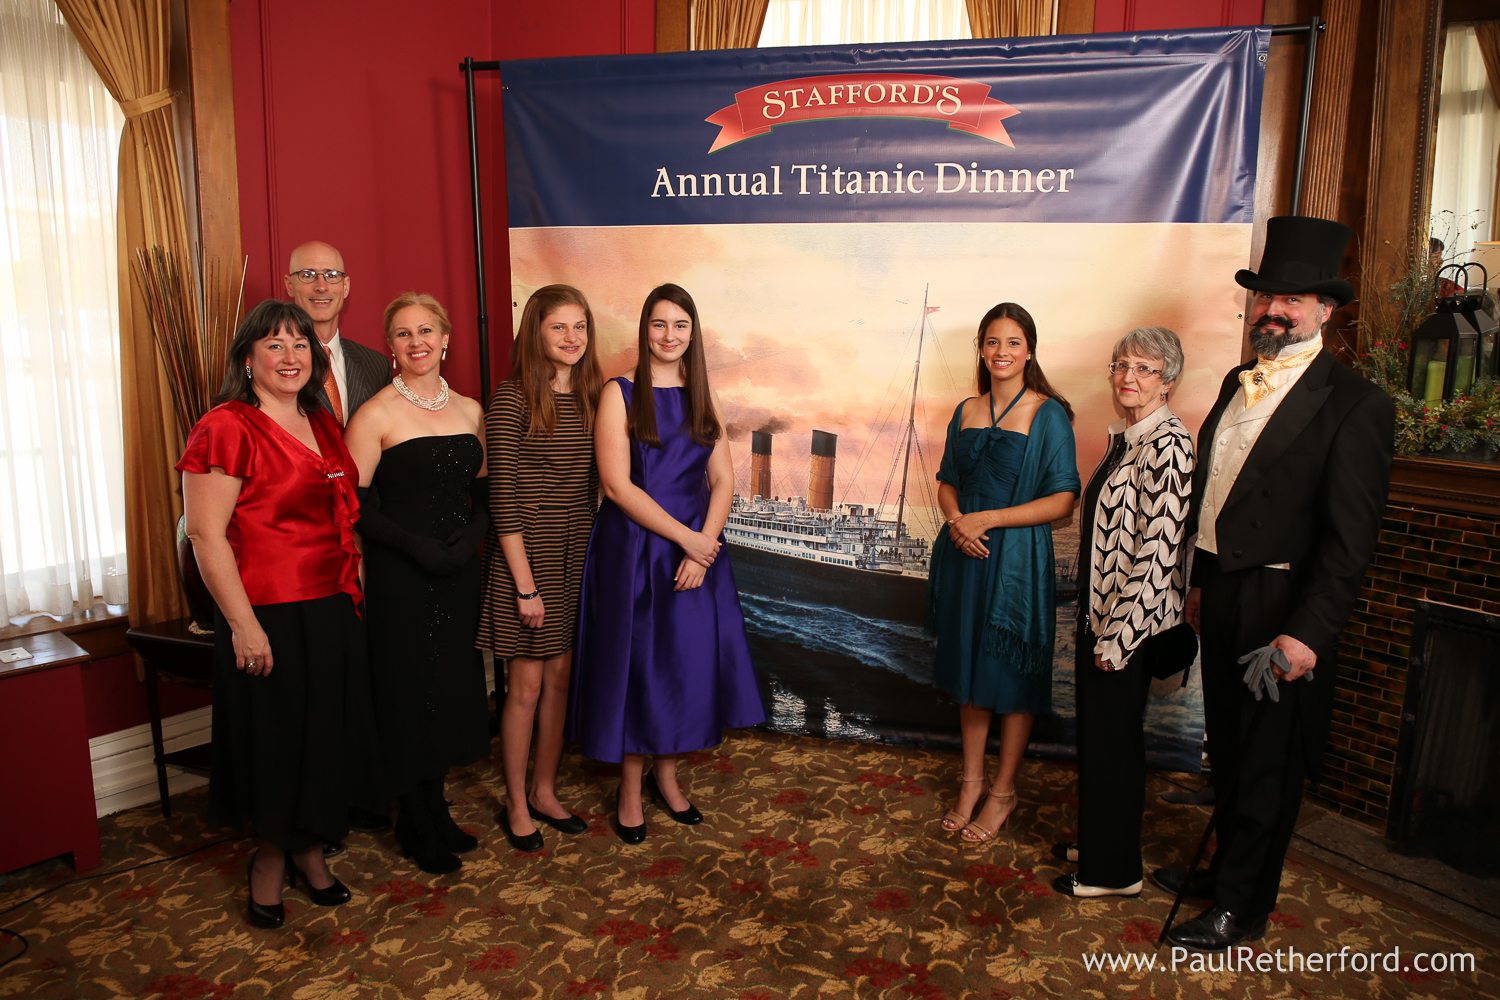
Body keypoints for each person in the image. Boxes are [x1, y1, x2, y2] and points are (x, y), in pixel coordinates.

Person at [1155, 216, 1394, 951]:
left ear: (1325, 309)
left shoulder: (1357, 404)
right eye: (1265, 296)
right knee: (1225, 748)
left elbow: (1349, 543)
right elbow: (1216, 495)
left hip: (1283, 607)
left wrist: (1307, 634)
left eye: (1292, 298)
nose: (1274, 310)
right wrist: (1199, 580)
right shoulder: (1237, 381)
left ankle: (1243, 909)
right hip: (1224, 590)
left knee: (1266, 764)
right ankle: (1228, 868)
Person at [178, 299, 377, 928]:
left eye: (300, 346)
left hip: (330, 608)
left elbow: (345, 518)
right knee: (275, 745)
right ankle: (268, 859)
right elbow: (206, 537)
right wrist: (243, 625)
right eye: (274, 345)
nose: (290, 357)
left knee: (324, 740)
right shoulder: (225, 426)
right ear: (247, 359)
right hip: (264, 612)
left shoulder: (323, 424)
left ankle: (311, 852)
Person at [568, 283, 766, 844]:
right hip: (635, 547)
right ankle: (629, 790)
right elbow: (615, 484)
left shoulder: (706, 396)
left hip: (694, 550)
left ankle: (669, 778)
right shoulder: (621, 392)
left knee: (682, 666)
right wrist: (689, 540)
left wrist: (704, 544)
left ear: (693, 333)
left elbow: (723, 479)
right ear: (644, 329)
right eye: (659, 324)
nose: (669, 335)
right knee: (639, 667)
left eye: (680, 325)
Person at [344, 292, 490, 875]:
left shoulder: (471, 410)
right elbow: (354, 506)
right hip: (401, 575)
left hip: (457, 572)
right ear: (390, 347)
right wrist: (417, 548)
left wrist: (468, 540)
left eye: (426, 331)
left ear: (446, 338)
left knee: (449, 686)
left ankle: (437, 805)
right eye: (403, 334)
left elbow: (482, 494)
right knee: (408, 691)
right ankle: (412, 817)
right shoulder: (375, 414)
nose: (417, 343)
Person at [1051, 327, 1194, 898]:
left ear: (1170, 381)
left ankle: (1114, 873)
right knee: (1103, 742)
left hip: (1125, 631)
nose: (1129, 378)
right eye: (1122, 365)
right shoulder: (1133, 440)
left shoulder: (1170, 445)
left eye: (1146, 369)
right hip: (1102, 620)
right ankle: (1104, 842)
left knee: (1115, 746)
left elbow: (1159, 552)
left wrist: (1119, 638)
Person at [929, 302, 1079, 845]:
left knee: (1011, 678)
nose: (1001, 352)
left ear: (1030, 350)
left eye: (1013, 342)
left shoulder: (1048, 413)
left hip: (1016, 563)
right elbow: (946, 480)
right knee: (971, 676)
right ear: (981, 349)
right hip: (965, 556)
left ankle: (1003, 792)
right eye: (992, 341)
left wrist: (986, 518)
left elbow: (1064, 499)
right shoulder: (964, 408)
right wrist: (956, 523)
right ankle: (970, 784)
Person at [476, 285, 604, 853]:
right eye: (560, 327)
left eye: (580, 327)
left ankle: (546, 790)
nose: (572, 338)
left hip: (579, 549)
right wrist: (524, 587)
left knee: (560, 680)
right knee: (525, 686)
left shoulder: (596, 397)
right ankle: (516, 801)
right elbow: (501, 499)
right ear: (536, 332)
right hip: (525, 555)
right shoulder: (510, 399)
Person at [284, 240, 390, 426]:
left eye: (332, 275)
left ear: (345, 286)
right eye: (308, 275)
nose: (321, 286)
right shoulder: (268, 362)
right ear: (289, 285)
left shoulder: (377, 366)